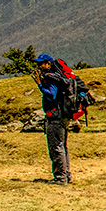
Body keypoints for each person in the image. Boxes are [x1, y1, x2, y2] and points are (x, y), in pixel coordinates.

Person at [32, 54, 71, 186]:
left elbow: (51, 95)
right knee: (62, 146)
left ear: (48, 64)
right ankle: (66, 175)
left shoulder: (50, 77)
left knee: (56, 147)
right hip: (63, 116)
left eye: (42, 64)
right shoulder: (58, 77)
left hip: (55, 116)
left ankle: (60, 178)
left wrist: (40, 85)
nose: (39, 66)